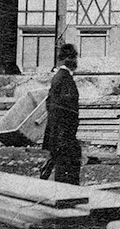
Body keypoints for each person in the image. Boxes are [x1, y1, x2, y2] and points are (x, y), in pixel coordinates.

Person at [41, 44, 81, 184]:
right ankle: (67, 197)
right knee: (67, 169)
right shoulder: (64, 78)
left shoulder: (60, 77)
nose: (75, 61)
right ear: (64, 59)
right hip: (64, 135)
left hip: (60, 134)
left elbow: (50, 104)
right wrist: (65, 136)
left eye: (74, 57)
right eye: (72, 57)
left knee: (65, 167)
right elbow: (63, 109)